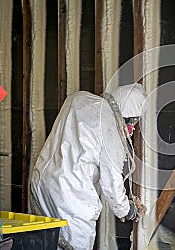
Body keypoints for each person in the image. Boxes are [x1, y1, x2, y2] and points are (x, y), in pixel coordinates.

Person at [30, 83, 147, 250]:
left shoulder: (79, 98)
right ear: (126, 113)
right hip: (70, 198)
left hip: (41, 183)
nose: (132, 128)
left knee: (45, 243)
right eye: (132, 121)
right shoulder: (110, 127)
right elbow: (112, 182)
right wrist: (127, 210)